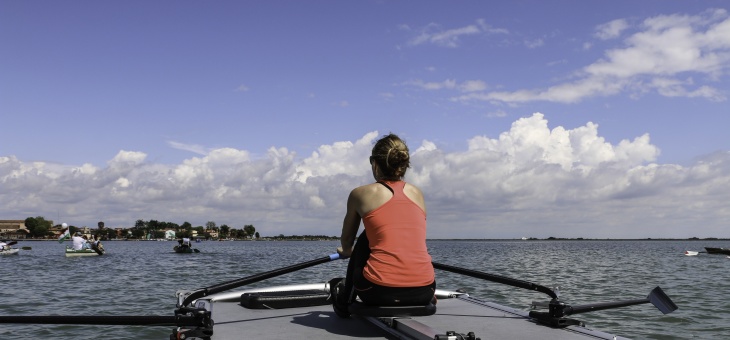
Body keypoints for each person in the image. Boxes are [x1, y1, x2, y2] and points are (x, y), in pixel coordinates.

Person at [332, 133, 435, 317]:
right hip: (425, 291)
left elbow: (347, 241)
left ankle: (343, 300)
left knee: (364, 237)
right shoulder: (417, 193)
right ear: (403, 164)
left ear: (374, 163)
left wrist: (347, 251)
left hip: (377, 292)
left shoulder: (360, 194)